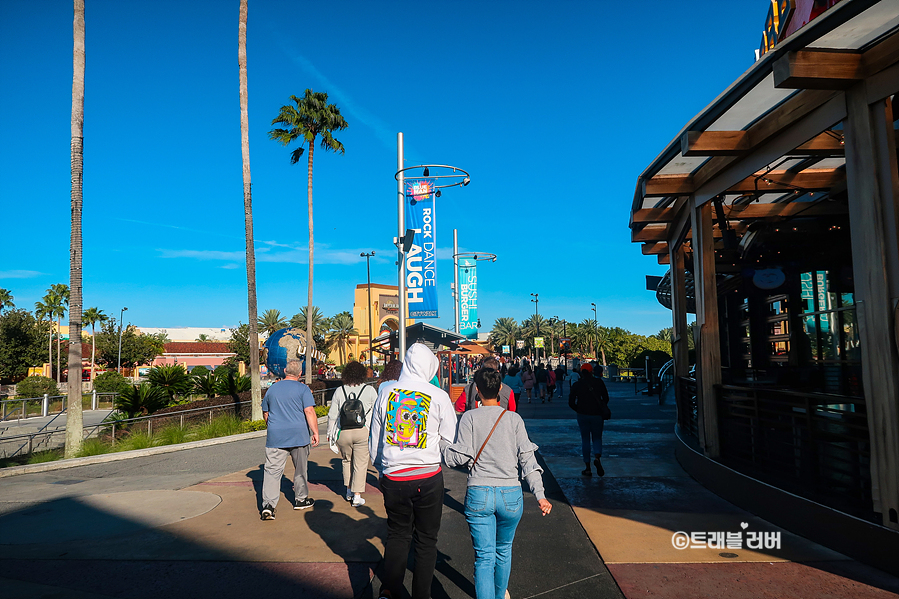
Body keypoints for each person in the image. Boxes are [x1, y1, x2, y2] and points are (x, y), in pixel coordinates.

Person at [442, 368, 552, 599]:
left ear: (477, 391)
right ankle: (500, 594)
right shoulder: (514, 419)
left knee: (484, 557)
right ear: (500, 389)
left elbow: (459, 458)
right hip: (511, 494)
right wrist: (540, 495)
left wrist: (442, 446)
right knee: (503, 551)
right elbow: (528, 460)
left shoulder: (470, 417)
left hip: (479, 493)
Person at [369, 343, 458, 599]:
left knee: (397, 534)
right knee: (426, 540)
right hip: (428, 477)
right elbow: (449, 437)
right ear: (430, 366)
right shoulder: (438, 395)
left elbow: (376, 438)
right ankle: (422, 595)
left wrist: (382, 469)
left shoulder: (386, 392)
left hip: (394, 477)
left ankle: (390, 590)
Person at [260, 360, 319, 520]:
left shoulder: (272, 389)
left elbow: (266, 413)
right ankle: (300, 500)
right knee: (300, 469)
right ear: (300, 373)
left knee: (272, 471)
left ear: (285, 371)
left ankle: (268, 505)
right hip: (299, 436)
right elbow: (309, 411)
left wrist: (273, 426)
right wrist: (315, 432)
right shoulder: (303, 389)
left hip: (275, 437)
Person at [328, 360, 378, 507]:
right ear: (362, 374)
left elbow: (332, 415)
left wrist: (331, 434)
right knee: (360, 464)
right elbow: (376, 413)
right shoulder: (369, 390)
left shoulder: (339, 391)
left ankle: (348, 490)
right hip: (363, 431)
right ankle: (357, 496)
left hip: (343, 432)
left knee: (347, 461)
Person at [568, 363, 610, 477]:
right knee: (597, 437)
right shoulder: (599, 382)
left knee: (585, 439)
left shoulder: (577, 385)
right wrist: (600, 406)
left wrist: (578, 409)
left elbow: (571, 402)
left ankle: (587, 468)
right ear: (592, 371)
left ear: (581, 372)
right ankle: (597, 457)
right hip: (597, 414)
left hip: (582, 414)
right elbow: (606, 398)